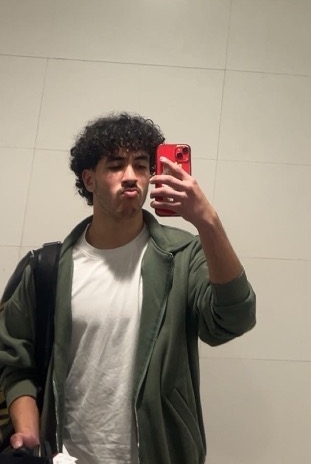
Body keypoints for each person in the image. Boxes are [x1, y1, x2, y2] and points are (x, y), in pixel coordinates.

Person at [0, 113, 256, 464]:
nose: (132, 175)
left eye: (141, 165)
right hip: (66, 456)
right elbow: (16, 364)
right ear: (89, 179)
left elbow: (234, 320)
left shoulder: (182, 255)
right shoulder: (47, 268)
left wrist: (207, 221)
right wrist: (29, 435)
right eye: (116, 165)